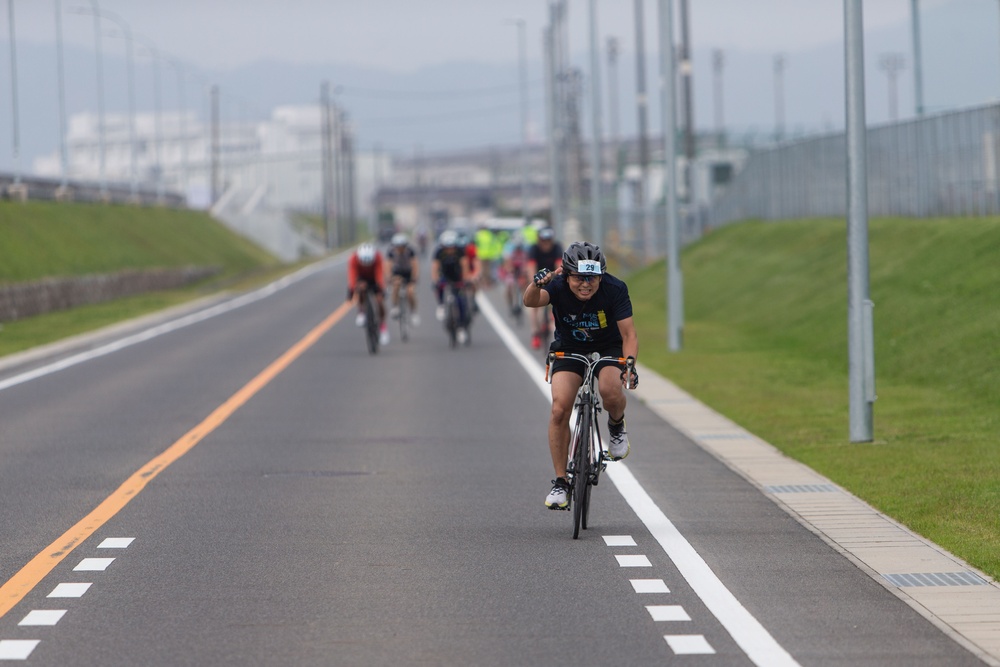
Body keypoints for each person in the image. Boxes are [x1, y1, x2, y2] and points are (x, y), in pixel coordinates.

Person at [523, 241, 639, 510]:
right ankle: (561, 483)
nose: (586, 284)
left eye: (592, 278)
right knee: (559, 409)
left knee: (610, 390)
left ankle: (616, 426)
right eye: (579, 278)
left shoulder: (615, 288)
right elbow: (530, 302)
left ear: (601, 275)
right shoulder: (557, 284)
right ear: (567, 273)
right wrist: (536, 284)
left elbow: (629, 335)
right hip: (569, 348)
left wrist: (630, 364)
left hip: (607, 347)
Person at [431, 230, 471, 344]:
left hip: (457, 277)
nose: (449, 250)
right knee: (439, 287)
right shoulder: (439, 252)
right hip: (445, 276)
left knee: (461, 301)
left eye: (451, 247)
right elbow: (434, 268)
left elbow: (465, 266)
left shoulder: (460, 252)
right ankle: (441, 305)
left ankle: (462, 327)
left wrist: (466, 279)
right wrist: (435, 281)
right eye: (447, 247)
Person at [526, 227, 563, 349]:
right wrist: (535, 283)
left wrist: (558, 279)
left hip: (552, 277)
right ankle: (535, 332)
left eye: (548, 240)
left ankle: (551, 321)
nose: (546, 243)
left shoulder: (557, 247)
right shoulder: (534, 249)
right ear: (539, 240)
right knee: (535, 306)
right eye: (543, 240)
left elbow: (559, 266)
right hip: (538, 278)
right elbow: (531, 266)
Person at [347, 242, 390, 346]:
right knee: (360, 288)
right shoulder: (353, 259)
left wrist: (381, 289)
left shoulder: (378, 257)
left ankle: (383, 327)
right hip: (361, 277)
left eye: (369, 263)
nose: (366, 265)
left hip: (374, 277)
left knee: (379, 301)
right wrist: (352, 290)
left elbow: (380, 274)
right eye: (364, 263)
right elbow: (352, 275)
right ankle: (361, 311)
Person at [387, 232, 420, 327]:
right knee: (396, 285)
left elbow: (415, 265)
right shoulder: (391, 252)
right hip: (397, 273)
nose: (399, 248)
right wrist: (389, 278)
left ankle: (414, 313)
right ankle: (395, 306)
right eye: (397, 246)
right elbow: (387, 266)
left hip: (408, 273)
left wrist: (414, 278)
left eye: (402, 246)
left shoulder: (410, 251)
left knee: (410, 292)